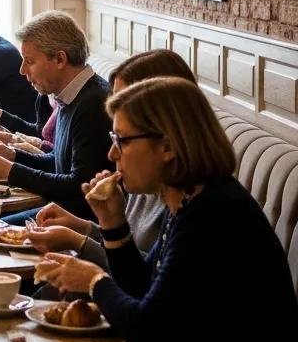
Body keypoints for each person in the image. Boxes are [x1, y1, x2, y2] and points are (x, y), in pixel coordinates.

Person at [23, 77, 298, 342]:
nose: (111, 154)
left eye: (121, 140)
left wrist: (94, 280)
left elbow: (150, 332)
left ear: (167, 146)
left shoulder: (212, 217)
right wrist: (112, 223)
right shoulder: (190, 202)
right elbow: (144, 288)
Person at [27, 49, 197, 270]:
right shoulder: (149, 177)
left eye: (122, 101)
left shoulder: (192, 204)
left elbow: (144, 278)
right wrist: (86, 227)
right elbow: (133, 256)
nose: (112, 153)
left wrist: (81, 244)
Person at [0, 11, 112, 219]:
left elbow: (79, 187)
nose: (22, 70)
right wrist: (12, 155)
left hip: (75, 221)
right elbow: (59, 163)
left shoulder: (93, 104)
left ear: (60, 59)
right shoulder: (71, 96)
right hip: (60, 211)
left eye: (29, 61)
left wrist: (9, 171)